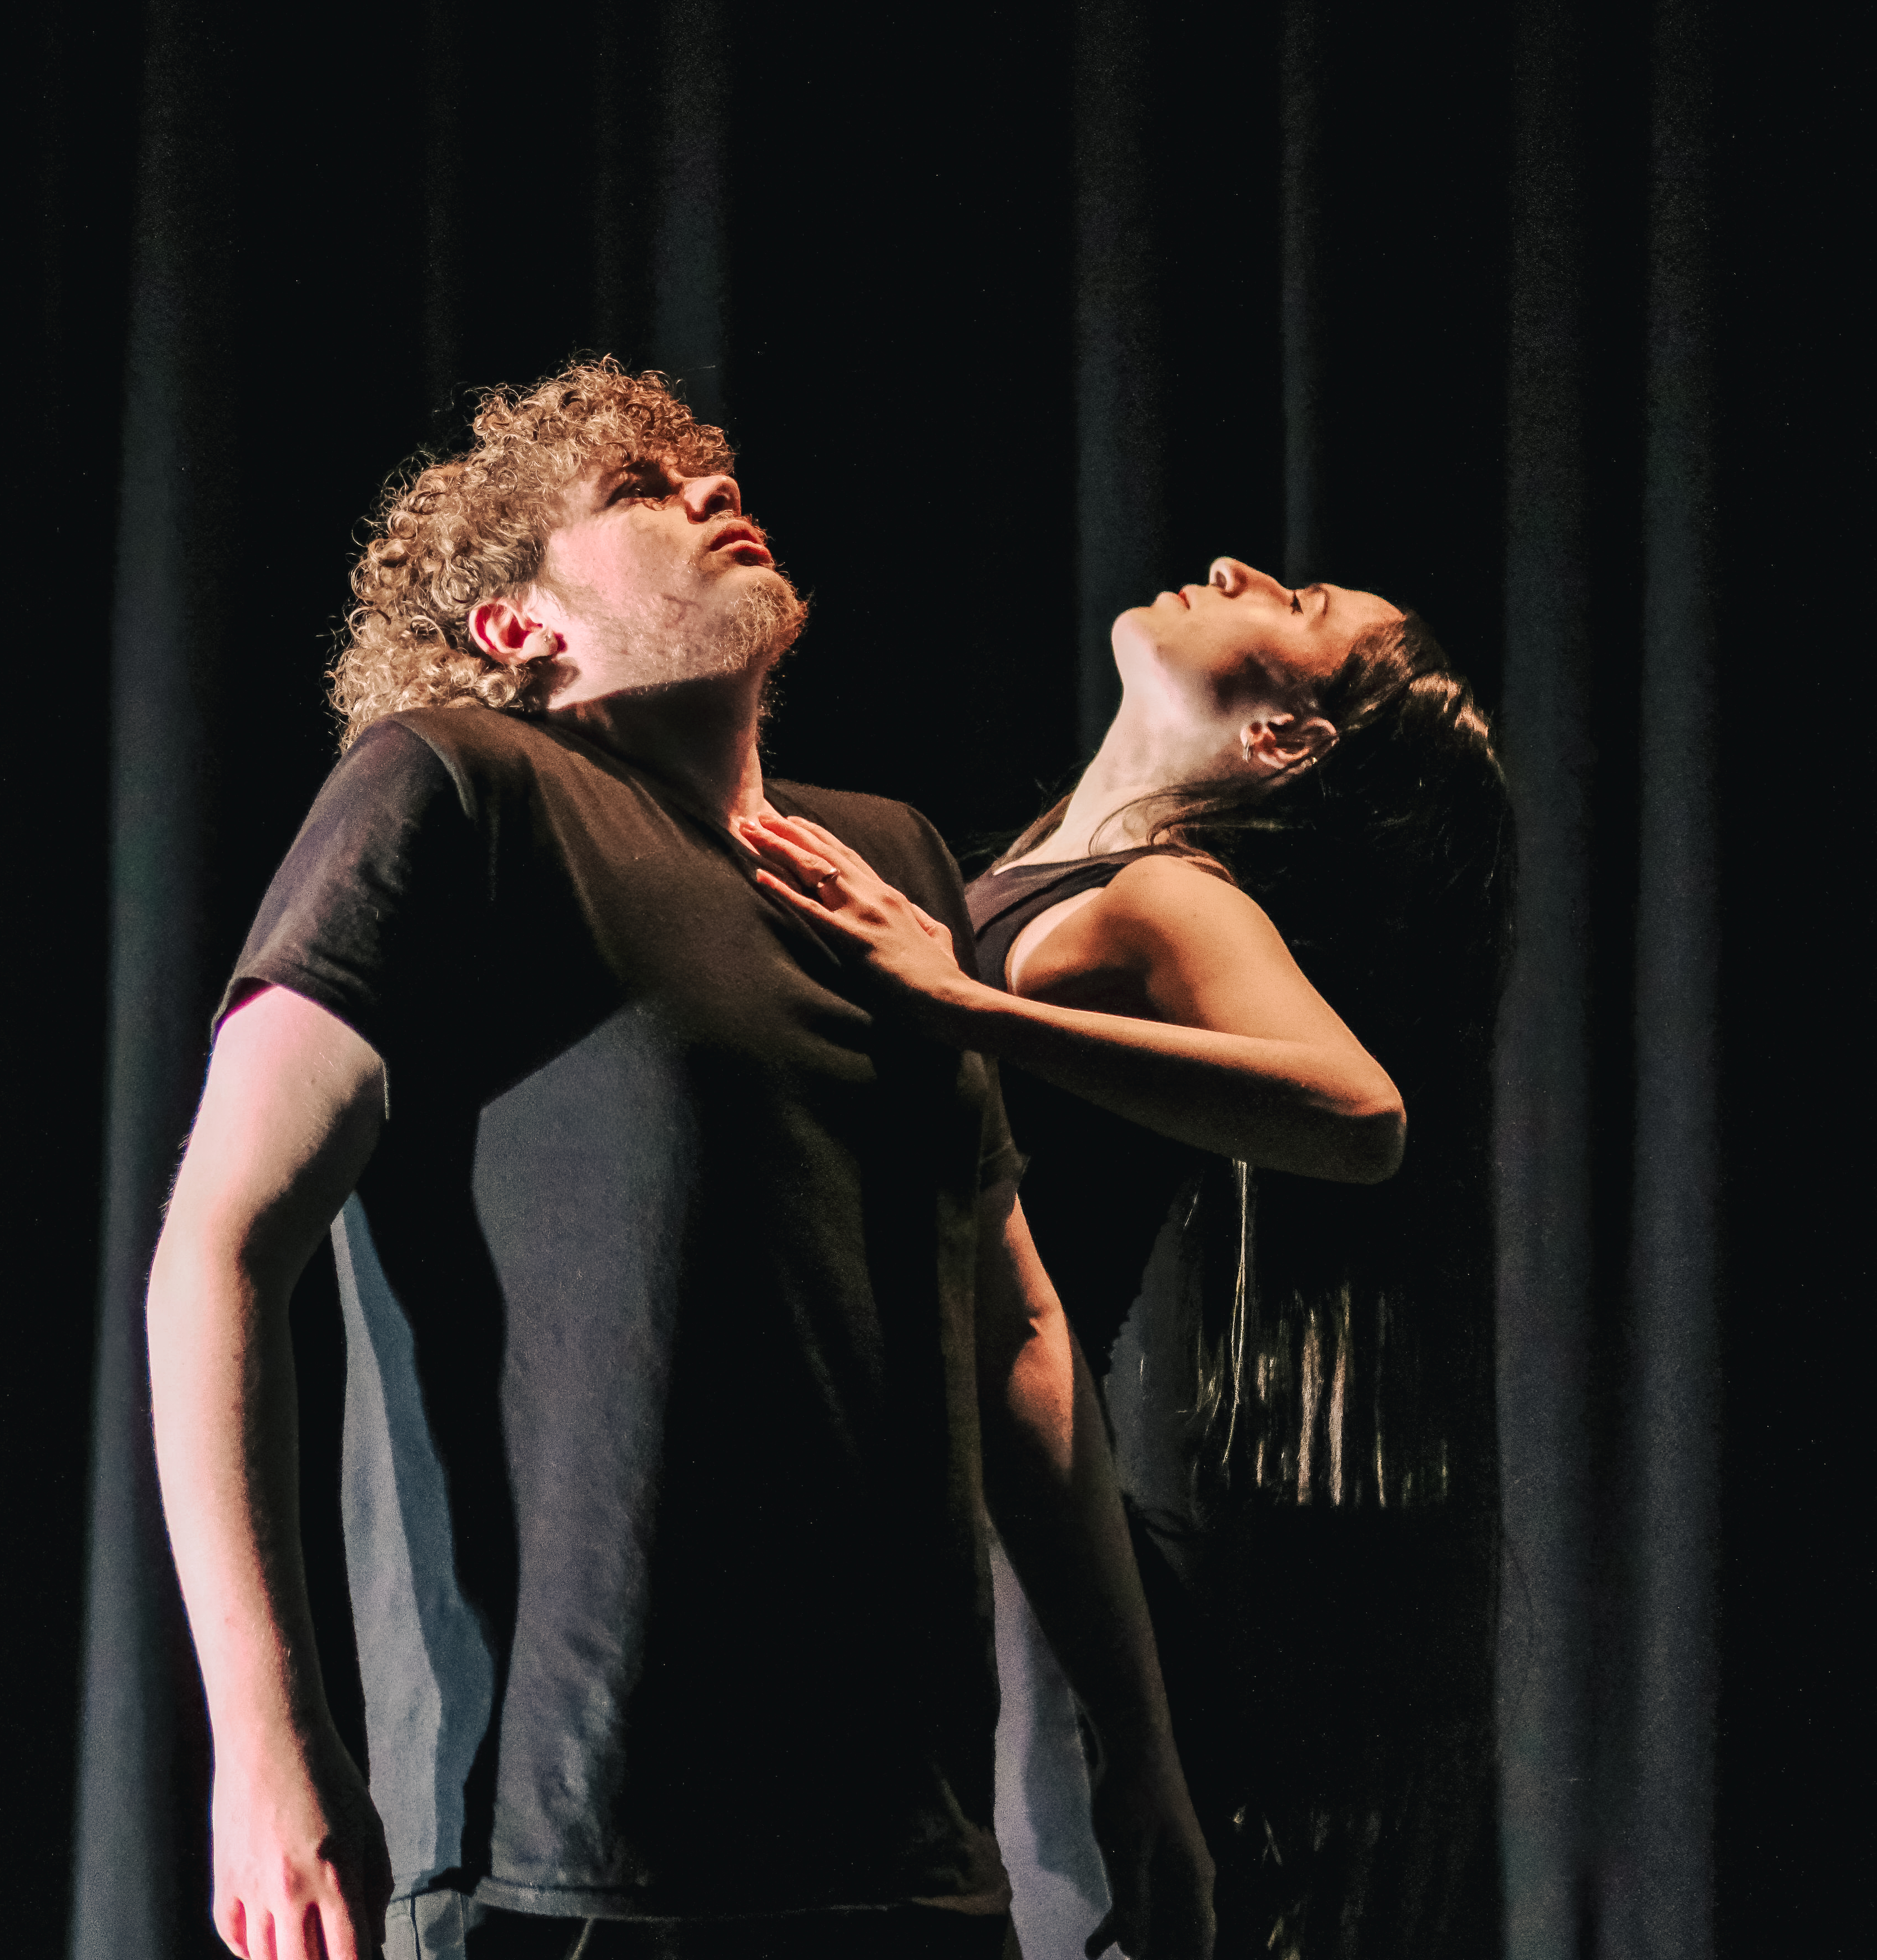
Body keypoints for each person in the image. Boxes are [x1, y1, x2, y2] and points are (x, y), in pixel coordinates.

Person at [142, 359, 1220, 1960]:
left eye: (711, 469)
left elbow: (1016, 1332)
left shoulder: (887, 862)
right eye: (639, 490)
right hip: (565, 1848)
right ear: (518, 626)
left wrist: (1136, 1752)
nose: (714, 489)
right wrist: (262, 1737)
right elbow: (220, 1242)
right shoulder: (460, 788)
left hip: (903, 1851)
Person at [737, 557, 1512, 1958]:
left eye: (1294, 607)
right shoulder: (1030, 872)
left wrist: (961, 1004)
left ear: (1283, 735)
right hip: (923, 1488)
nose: (1233, 571)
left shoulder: (1164, 897)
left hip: (1007, 1519)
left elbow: (1358, 1116)